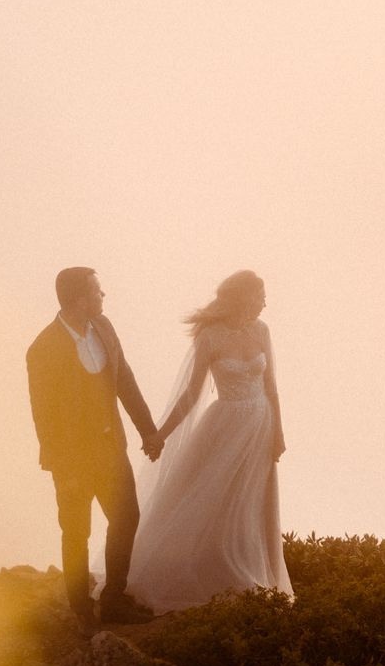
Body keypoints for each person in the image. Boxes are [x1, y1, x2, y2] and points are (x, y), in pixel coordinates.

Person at [125, 268, 292, 609]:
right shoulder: (210, 337)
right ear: (243, 296)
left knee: (252, 503)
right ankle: (214, 573)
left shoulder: (262, 331)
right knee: (213, 498)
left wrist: (279, 433)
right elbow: (190, 394)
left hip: (260, 426)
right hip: (226, 426)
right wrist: (160, 435)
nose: (264, 302)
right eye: (260, 295)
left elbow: (272, 386)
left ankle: (253, 573)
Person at [25, 266, 163, 625]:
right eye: (98, 292)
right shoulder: (43, 349)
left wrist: (148, 431)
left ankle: (113, 598)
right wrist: (61, 468)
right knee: (76, 532)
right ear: (79, 299)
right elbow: (44, 416)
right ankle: (81, 609)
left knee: (126, 517)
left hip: (111, 449)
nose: (104, 297)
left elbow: (125, 381)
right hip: (72, 461)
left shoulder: (104, 328)